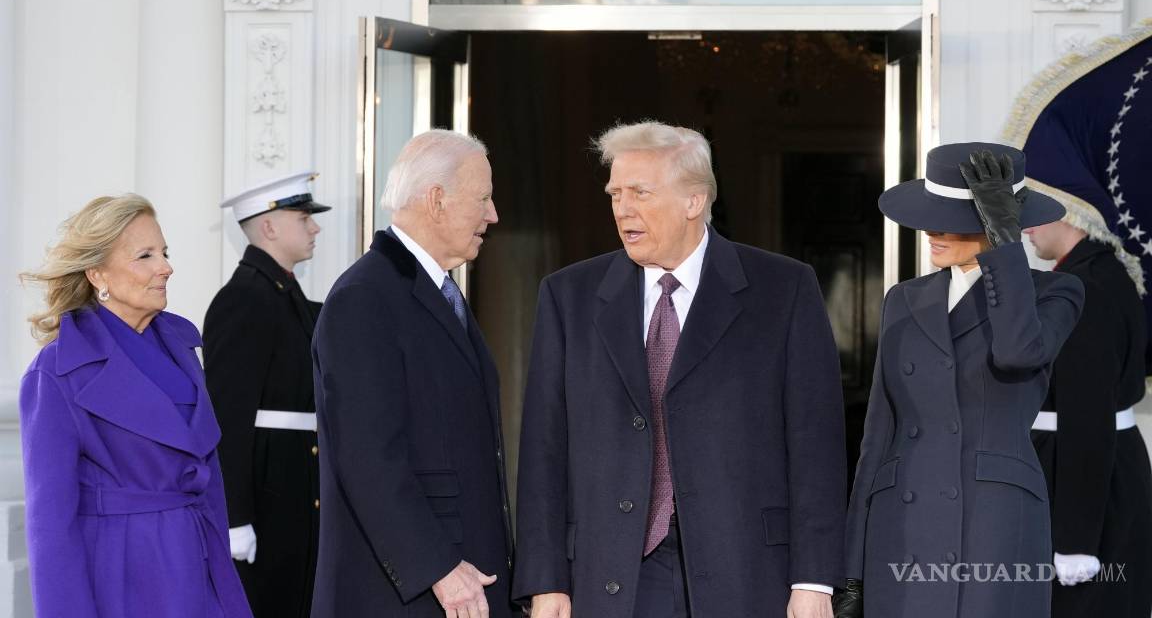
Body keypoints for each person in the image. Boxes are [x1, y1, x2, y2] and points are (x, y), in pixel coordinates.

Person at [513, 121, 847, 618]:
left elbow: (814, 443)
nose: (623, 209)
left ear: (693, 201)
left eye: (640, 193)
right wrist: (545, 582)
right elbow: (544, 450)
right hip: (612, 576)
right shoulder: (568, 297)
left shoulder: (783, 290)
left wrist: (814, 579)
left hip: (747, 573)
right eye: (615, 194)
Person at [837, 144, 1084, 618]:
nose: (931, 229)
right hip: (899, 525)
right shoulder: (903, 298)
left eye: (949, 217)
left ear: (996, 223)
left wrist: (1006, 248)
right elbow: (878, 435)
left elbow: (1018, 353)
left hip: (991, 523)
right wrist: (852, 567)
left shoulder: (1056, 291)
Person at [310, 130, 515, 617]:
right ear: (437, 200)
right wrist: (438, 568)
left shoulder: (433, 289)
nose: (493, 215)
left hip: (459, 581)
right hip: (410, 593)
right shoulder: (364, 298)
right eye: (483, 199)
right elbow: (367, 457)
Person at [17, 194, 252, 618]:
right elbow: (50, 528)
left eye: (164, 252)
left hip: (198, 567)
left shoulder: (181, 348)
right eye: (145, 255)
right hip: (122, 580)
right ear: (97, 273)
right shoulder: (55, 372)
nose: (166, 266)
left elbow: (209, 480)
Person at [203, 171, 331, 617]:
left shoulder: (286, 296)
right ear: (270, 226)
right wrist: (235, 518)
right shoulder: (242, 300)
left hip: (293, 491)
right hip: (267, 497)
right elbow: (227, 418)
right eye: (304, 217)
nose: (314, 227)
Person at [1025, 218, 1152, 617]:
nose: (1025, 227)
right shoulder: (1097, 273)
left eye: (1035, 212)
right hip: (1097, 469)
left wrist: (1075, 542)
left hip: (1081, 479)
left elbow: (1088, 415)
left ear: (1069, 212)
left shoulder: (1087, 286)